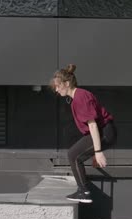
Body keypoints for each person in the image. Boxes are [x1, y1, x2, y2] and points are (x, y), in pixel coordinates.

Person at [50, 64, 117, 203]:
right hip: (102, 131)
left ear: (67, 83)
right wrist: (93, 151)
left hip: (104, 132)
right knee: (75, 154)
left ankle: (84, 192)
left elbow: (92, 125)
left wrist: (98, 151)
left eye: (58, 86)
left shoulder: (80, 97)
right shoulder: (78, 97)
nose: (56, 89)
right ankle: (83, 190)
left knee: (73, 155)